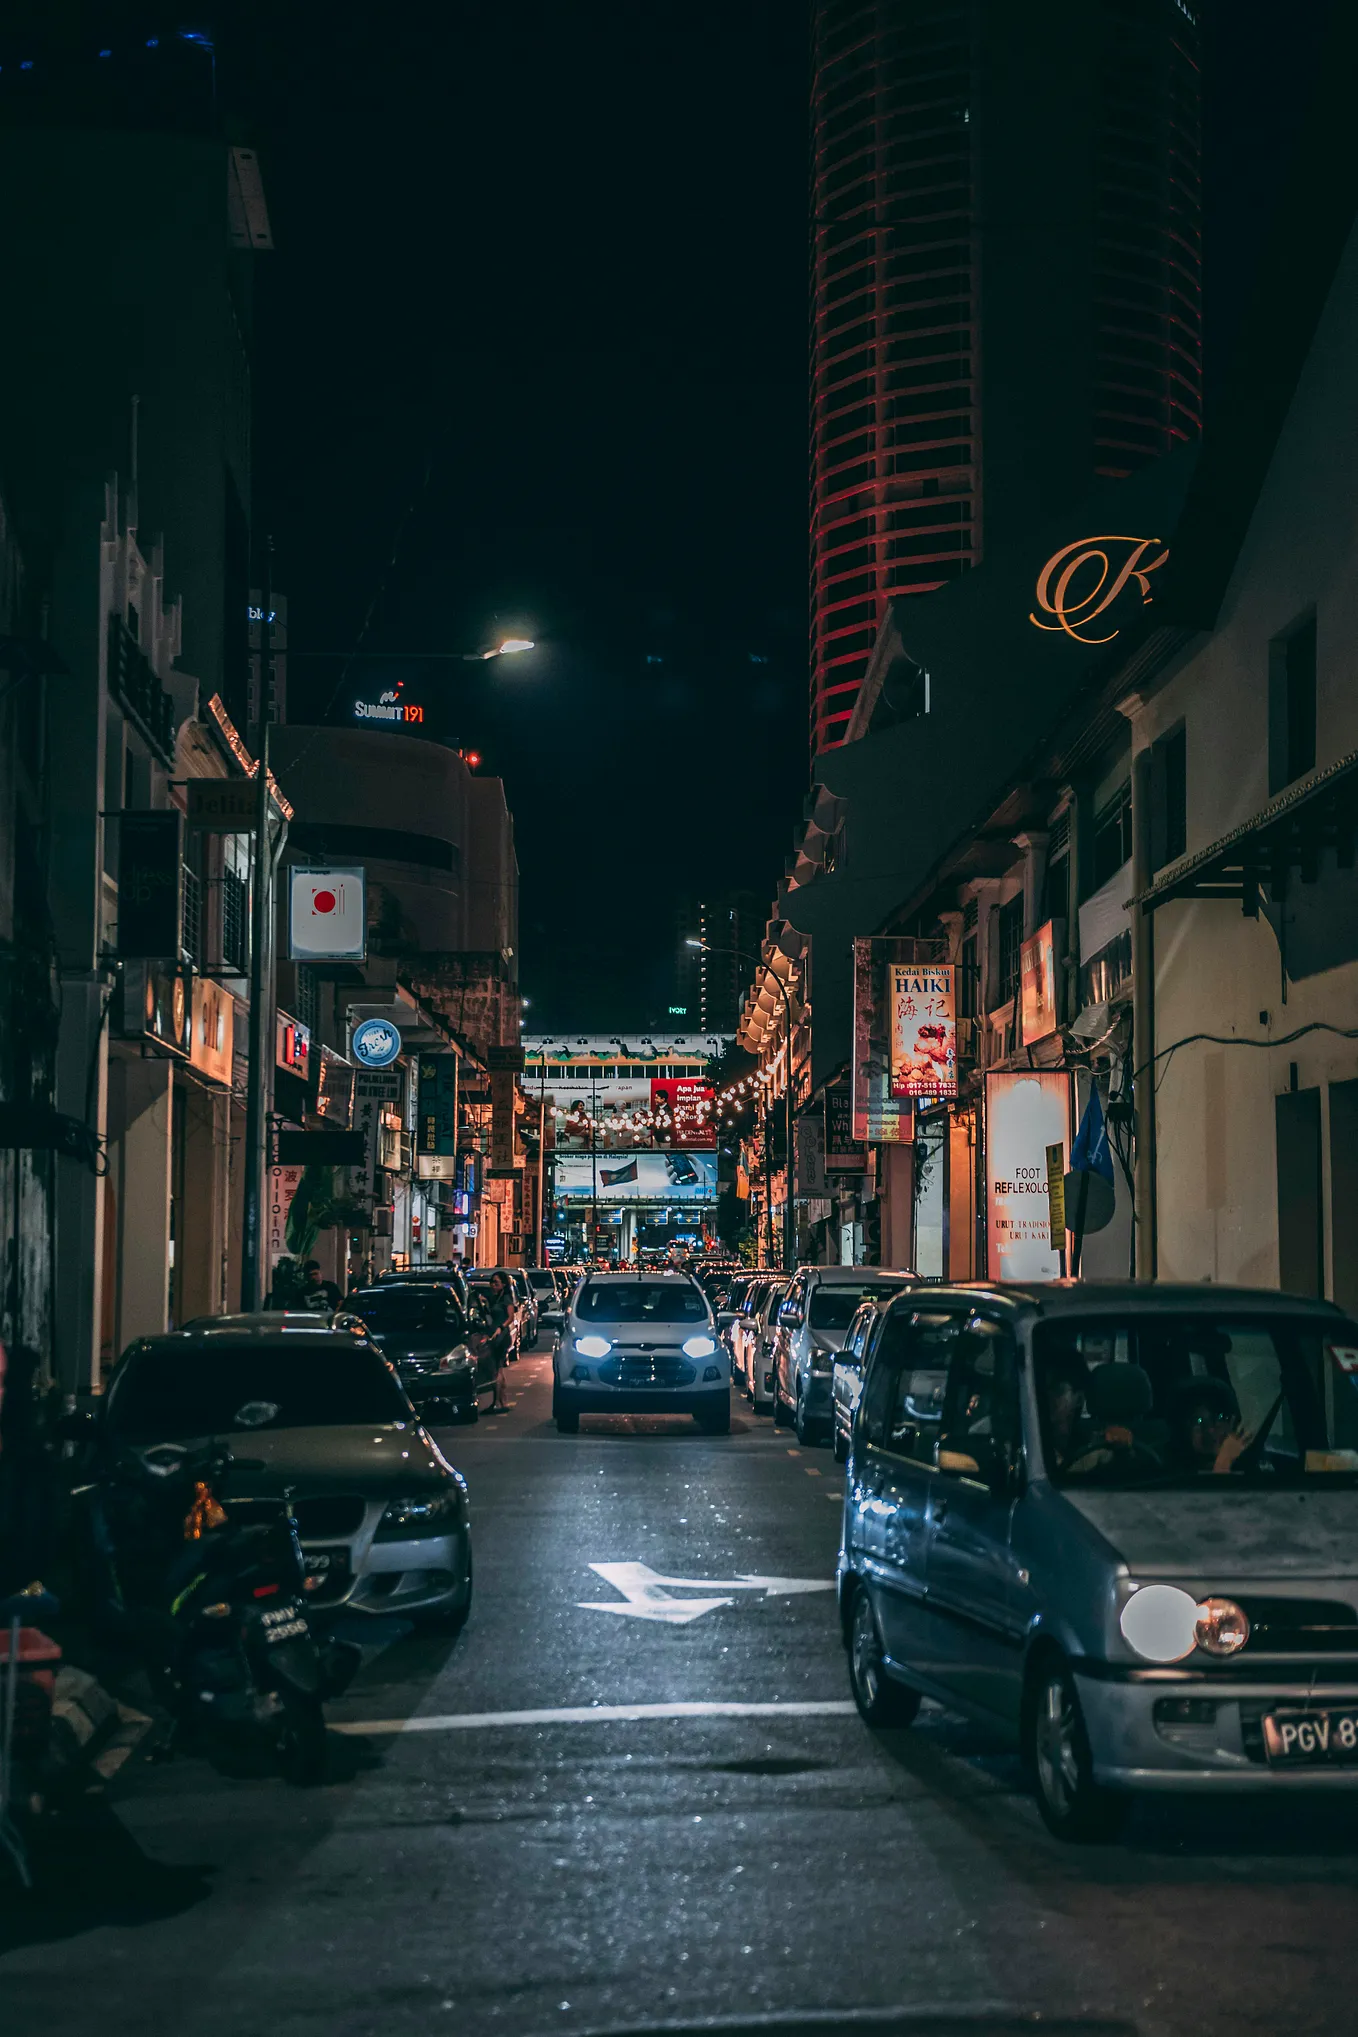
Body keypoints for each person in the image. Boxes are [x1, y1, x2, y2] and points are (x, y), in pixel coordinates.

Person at [1170, 1376, 1251, 1475]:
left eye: (1219, 1418)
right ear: (1183, 1431)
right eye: (1198, 1421)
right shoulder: (1176, 1478)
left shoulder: (1249, 1463)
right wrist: (1224, 1461)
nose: (1210, 1430)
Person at [484, 1269, 514, 1411]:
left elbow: (510, 1317)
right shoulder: (493, 1298)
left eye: (496, 1283)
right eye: (492, 1282)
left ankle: (498, 1402)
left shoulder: (506, 1298)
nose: (493, 1285)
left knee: (497, 1368)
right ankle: (502, 1401)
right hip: (493, 1335)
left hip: (501, 1336)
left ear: (503, 1284)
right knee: (498, 1369)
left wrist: (500, 1328)